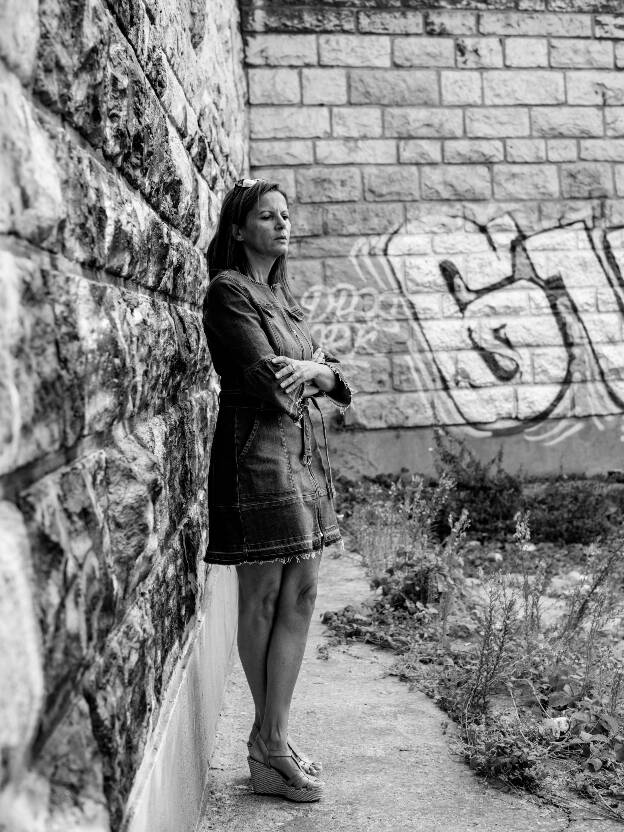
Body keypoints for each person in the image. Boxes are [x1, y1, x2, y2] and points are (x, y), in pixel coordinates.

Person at [202, 178, 351, 802]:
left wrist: (320, 371)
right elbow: (271, 382)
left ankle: (272, 739)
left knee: (305, 591)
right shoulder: (229, 293)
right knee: (263, 596)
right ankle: (269, 743)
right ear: (240, 229)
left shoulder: (280, 296)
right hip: (258, 454)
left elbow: (330, 376)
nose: (283, 225)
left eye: (286, 216)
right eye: (268, 216)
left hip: (303, 453)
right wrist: (316, 375)